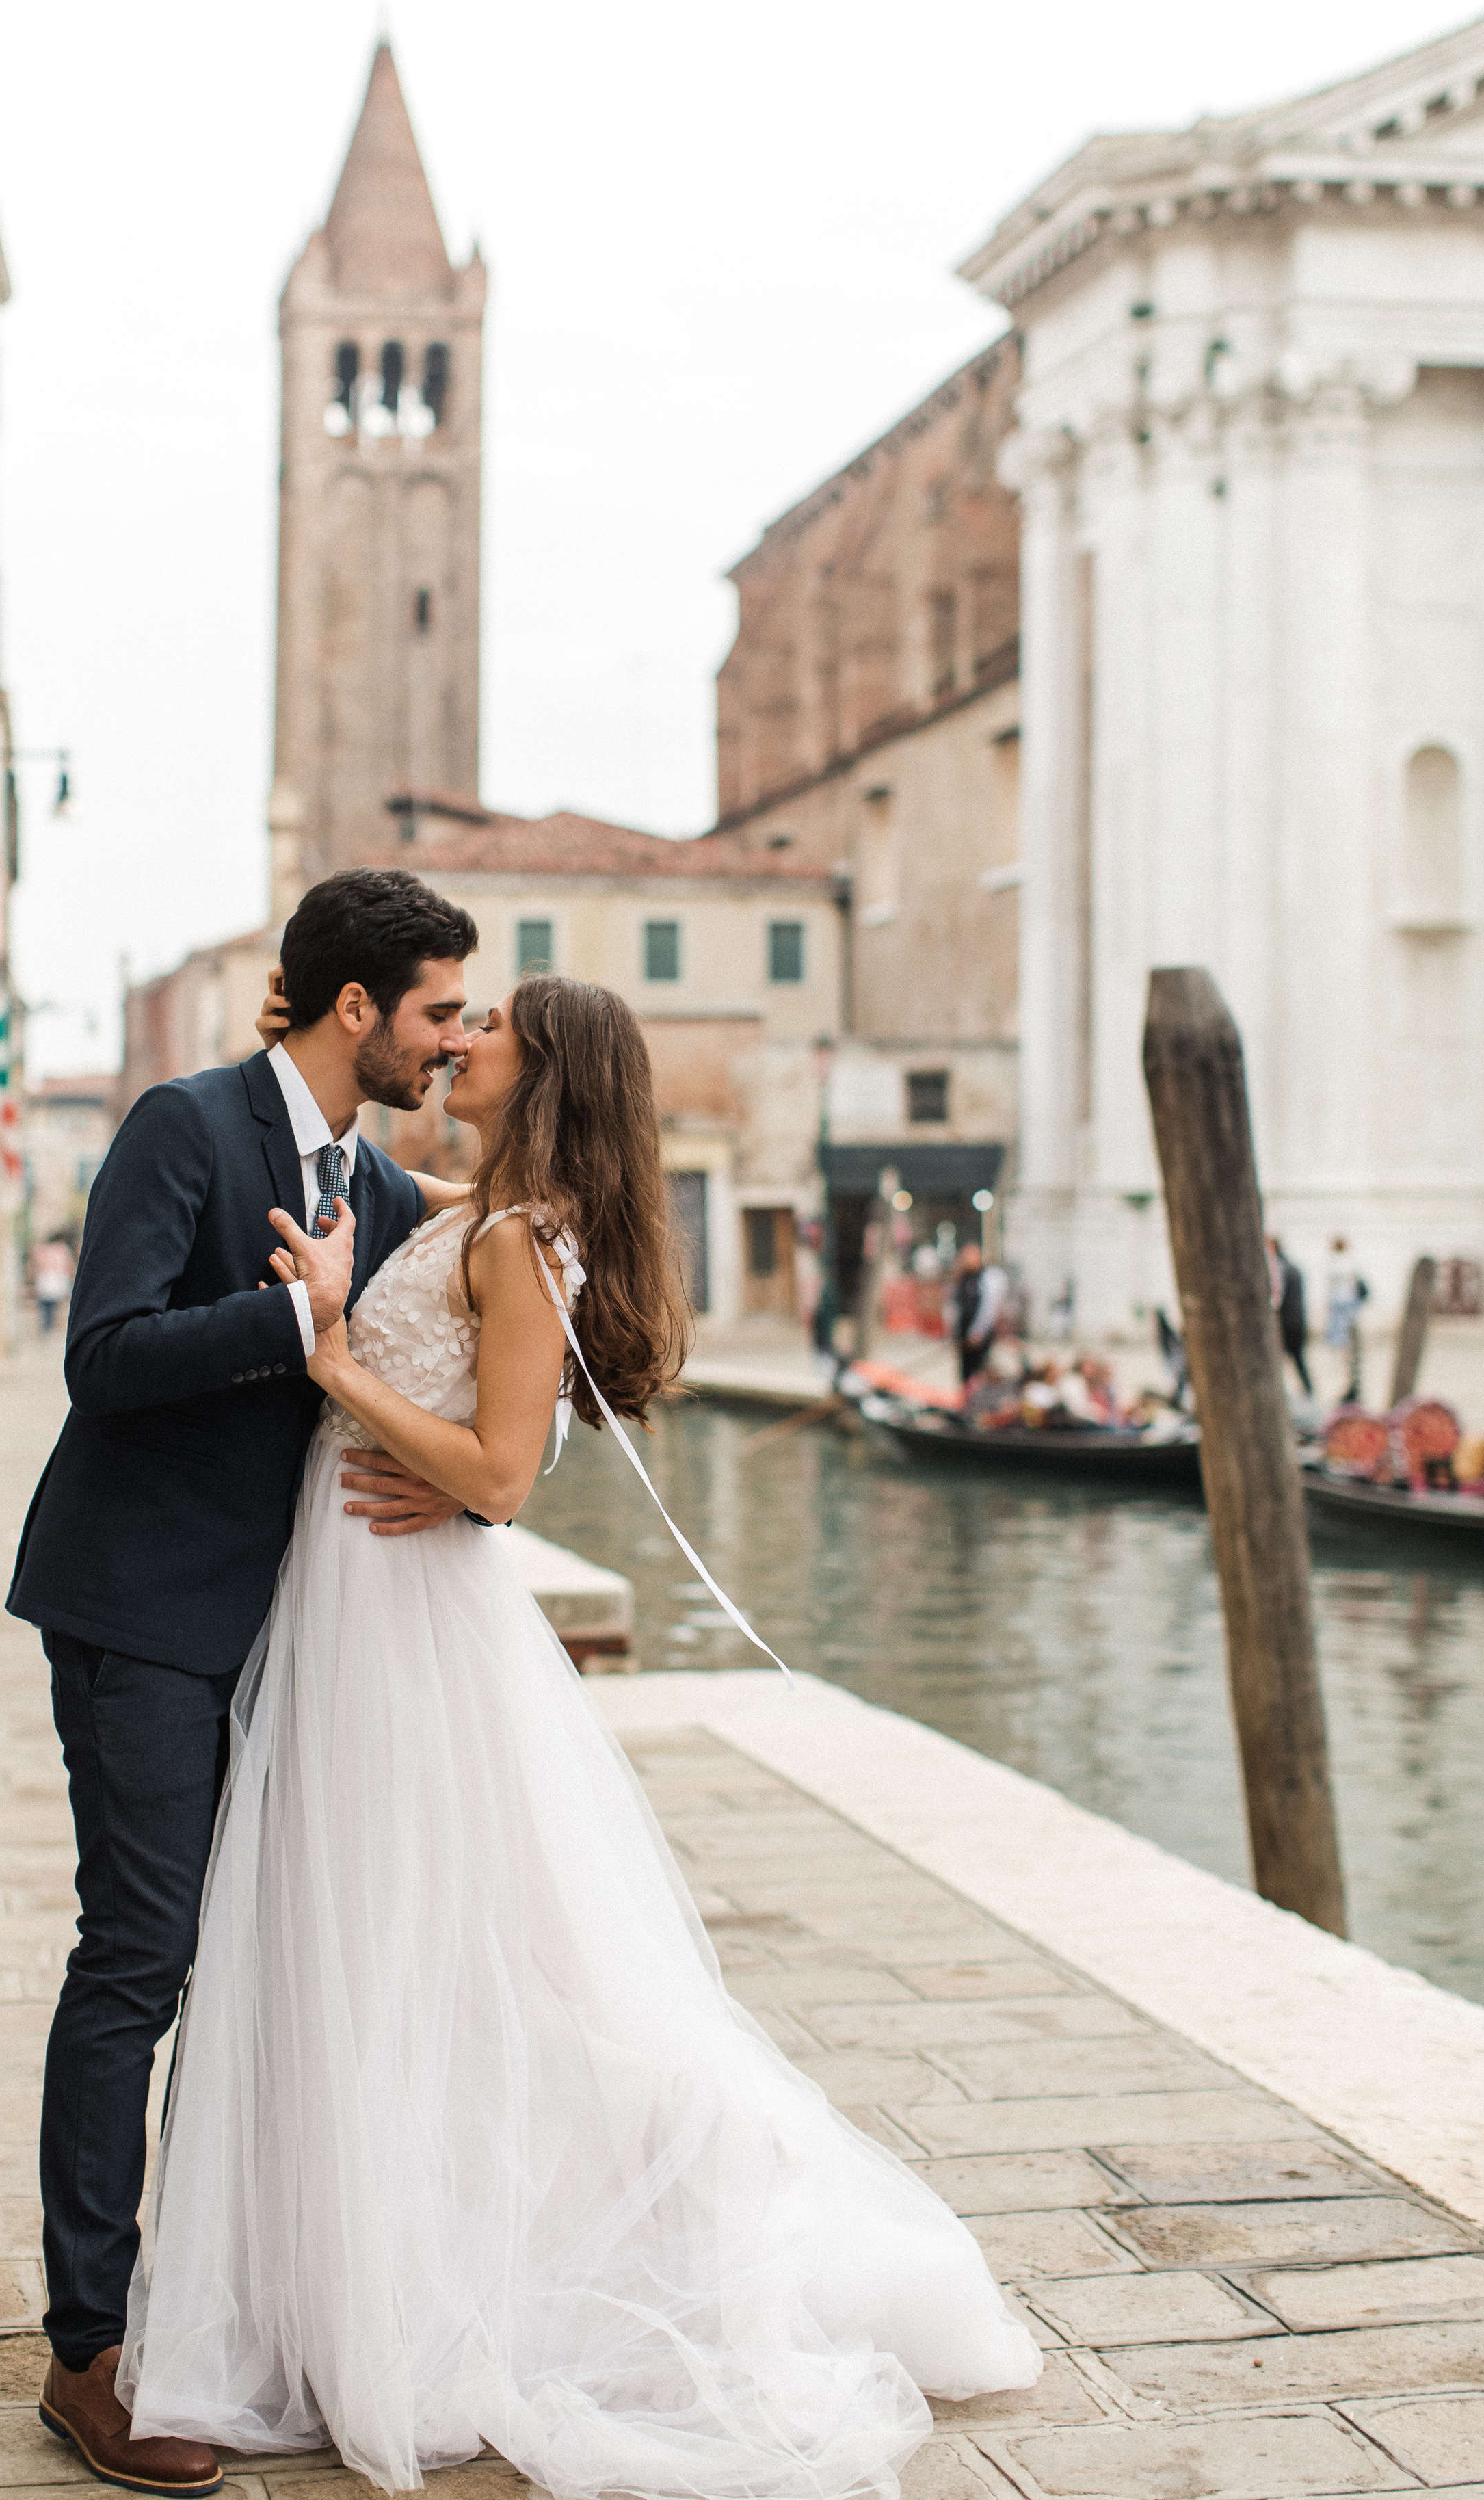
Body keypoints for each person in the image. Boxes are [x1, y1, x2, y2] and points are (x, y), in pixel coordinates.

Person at [114, 971, 1039, 2498]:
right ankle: (362, 2257)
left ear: (541, 1071)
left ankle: (490, 2266)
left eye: (487, 1030)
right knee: (374, 1944)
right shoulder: (465, 1202)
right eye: (450, 1018)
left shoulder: (518, 1240)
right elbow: (356, 1169)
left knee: (439, 1946)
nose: (458, 1040)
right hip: (354, 1601)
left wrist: (340, 1366)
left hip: (405, 1619)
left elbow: (495, 1477)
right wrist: (300, 1046)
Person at [10, 869, 481, 2499]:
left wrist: (472, 1481)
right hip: (137, 1607)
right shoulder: (180, 1124)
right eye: (435, 1009)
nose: (449, 1037)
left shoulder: (391, 1188)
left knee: (262, 1968)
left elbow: (456, 1362)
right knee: (140, 1953)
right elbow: (106, 1353)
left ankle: (209, 2305)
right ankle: (88, 2348)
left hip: (291, 1632)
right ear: (354, 1007)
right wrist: (292, 1312)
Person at [952, 1241, 1006, 1386]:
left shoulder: (987, 1277)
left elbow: (989, 1307)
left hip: (980, 1338)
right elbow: (954, 1307)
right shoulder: (962, 1279)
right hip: (964, 1336)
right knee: (966, 1374)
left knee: (979, 1372)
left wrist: (978, 1332)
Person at [1325, 1235, 1369, 1404]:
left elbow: (1337, 1294)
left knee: (1346, 1355)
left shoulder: (1337, 1265)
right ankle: (1353, 1388)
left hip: (1343, 1314)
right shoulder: (1352, 1263)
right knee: (1352, 1355)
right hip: (1351, 1314)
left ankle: (1352, 1390)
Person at [1269, 1235, 1313, 1397]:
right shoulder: (1294, 1268)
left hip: (1285, 1323)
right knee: (1298, 1359)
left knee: (1282, 1360)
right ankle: (1309, 1390)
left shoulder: (1279, 1269)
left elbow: (1276, 1299)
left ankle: (1295, 1392)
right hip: (1298, 1321)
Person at [31, 1234, 75, 1337]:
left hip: (47, 1278)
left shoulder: (44, 1250)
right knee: (53, 1305)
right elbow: (69, 1265)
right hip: (55, 1278)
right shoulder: (62, 1249)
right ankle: (50, 1326)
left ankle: (47, 1326)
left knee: (46, 1305)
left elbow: (36, 1263)